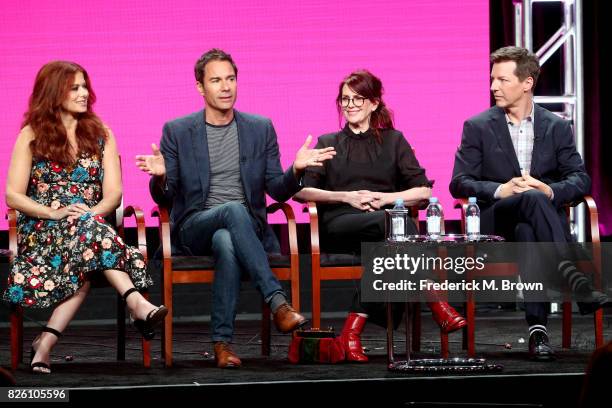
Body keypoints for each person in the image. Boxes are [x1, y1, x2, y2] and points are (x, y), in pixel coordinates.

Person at [135, 49, 335, 368]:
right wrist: (160, 178)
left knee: (227, 239)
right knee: (231, 211)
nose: (226, 87)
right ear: (201, 87)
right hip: (193, 227)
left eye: (231, 79)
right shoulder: (177, 131)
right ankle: (277, 301)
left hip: (245, 230)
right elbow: (165, 199)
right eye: (216, 80)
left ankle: (222, 345)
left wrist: (296, 171)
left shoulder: (260, 128)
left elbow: (276, 189)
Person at [3, 61, 167, 374]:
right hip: (43, 229)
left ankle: (45, 345)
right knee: (90, 246)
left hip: (90, 226)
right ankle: (135, 302)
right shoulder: (31, 136)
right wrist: (54, 211)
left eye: (84, 87)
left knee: (87, 248)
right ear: (54, 93)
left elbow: (114, 195)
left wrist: (87, 215)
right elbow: (13, 195)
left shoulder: (102, 133)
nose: (83, 93)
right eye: (74, 88)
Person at [294, 70, 466, 362]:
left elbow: (422, 192)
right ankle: (435, 299)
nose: (349, 105)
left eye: (357, 99)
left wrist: (384, 199)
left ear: (374, 104)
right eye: (344, 99)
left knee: (391, 244)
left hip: (385, 231)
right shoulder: (328, 142)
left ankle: (351, 332)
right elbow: (303, 193)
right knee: (398, 224)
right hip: (340, 224)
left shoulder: (394, 141)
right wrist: (346, 196)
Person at [450, 46, 608, 361]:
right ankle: (573, 275)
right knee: (528, 206)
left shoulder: (556, 126)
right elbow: (459, 181)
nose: (493, 86)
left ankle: (537, 330)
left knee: (529, 227)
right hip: (496, 220)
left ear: (527, 83)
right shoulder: (478, 126)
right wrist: (501, 189)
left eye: (502, 80)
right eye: (492, 79)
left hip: (534, 227)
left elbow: (580, 179)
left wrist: (550, 192)